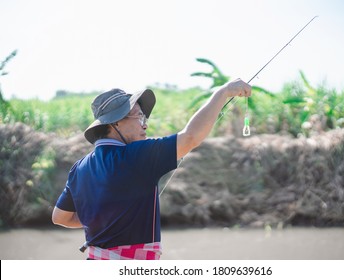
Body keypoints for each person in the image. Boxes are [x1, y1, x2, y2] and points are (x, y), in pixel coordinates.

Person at [52, 78, 251, 260]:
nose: (144, 125)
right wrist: (223, 92)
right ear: (115, 123)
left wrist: (102, 220)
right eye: (139, 116)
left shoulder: (78, 168)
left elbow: (60, 217)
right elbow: (190, 137)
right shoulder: (136, 155)